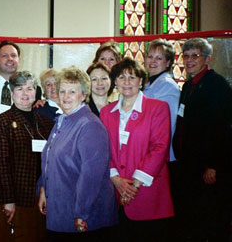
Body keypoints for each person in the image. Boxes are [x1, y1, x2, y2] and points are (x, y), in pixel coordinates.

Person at [39, 66, 118, 241]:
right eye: (62, 91)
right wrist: (43, 190)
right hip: (61, 207)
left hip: (83, 216)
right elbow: (49, 160)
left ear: (83, 95)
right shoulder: (62, 120)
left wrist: (81, 212)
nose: (65, 96)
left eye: (72, 92)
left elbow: (91, 175)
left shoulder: (89, 125)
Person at [100, 58, 174, 242]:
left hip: (148, 193)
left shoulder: (157, 108)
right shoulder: (106, 112)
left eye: (132, 77)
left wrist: (133, 185)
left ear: (141, 81)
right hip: (116, 195)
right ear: (115, 82)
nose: (126, 82)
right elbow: (102, 149)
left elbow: (160, 148)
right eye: (121, 77)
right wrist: (116, 179)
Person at [172, 38, 232, 241]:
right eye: (186, 56)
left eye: (195, 56)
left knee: (211, 221)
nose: (189, 61)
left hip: (208, 168)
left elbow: (223, 129)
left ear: (208, 59)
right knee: (193, 220)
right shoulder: (188, 86)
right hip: (189, 166)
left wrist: (214, 165)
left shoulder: (217, 86)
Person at [0, 71, 53, 242]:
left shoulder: (45, 123)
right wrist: (8, 200)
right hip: (14, 198)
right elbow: (1, 164)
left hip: (40, 196)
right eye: (20, 89)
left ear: (36, 91)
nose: (25, 94)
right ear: (11, 92)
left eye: (30, 88)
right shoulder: (1, 122)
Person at [0, 40, 41, 118]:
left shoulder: (34, 90)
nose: (10, 58)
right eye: (4, 55)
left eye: (13, 55)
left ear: (19, 60)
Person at [144, 38, 180, 162]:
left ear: (168, 62)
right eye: (150, 56)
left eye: (159, 58)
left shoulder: (168, 86)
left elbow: (166, 124)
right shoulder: (148, 83)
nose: (152, 61)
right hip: (146, 148)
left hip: (159, 153)